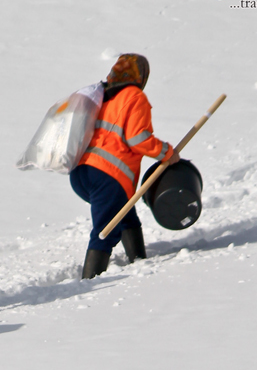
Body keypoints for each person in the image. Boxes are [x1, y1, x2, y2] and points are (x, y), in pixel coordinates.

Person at [70, 54, 179, 278]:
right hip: (107, 175)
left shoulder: (102, 94)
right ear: (141, 76)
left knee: (123, 211)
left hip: (81, 171)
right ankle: (88, 283)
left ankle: (138, 259)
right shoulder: (134, 96)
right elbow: (137, 139)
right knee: (105, 231)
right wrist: (168, 153)